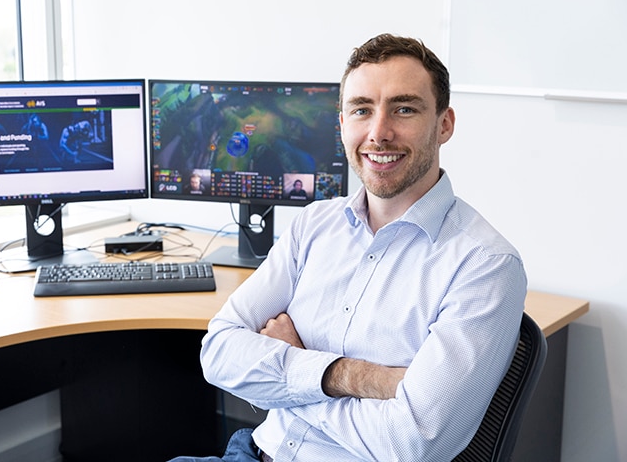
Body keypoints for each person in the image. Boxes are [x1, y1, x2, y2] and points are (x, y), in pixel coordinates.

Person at [169, 33, 526, 461]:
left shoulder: (484, 265)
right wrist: (350, 376)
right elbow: (220, 353)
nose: (379, 133)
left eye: (404, 109)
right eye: (361, 110)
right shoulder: (314, 224)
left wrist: (292, 368)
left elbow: (414, 443)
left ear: (444, 124)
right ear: (341, 125)